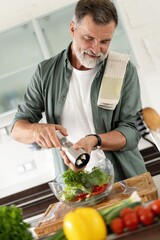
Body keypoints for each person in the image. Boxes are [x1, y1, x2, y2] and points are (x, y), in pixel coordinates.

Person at [11, 0, 147, 182]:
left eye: (105, 41)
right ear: (73, 29)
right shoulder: (46, 72)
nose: (96, 49)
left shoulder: (121, 69)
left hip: (126, 178)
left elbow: (132, 131)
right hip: (77, 186)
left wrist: (95, 140)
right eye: (88, 38)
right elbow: (17, 129)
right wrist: (37, 131)